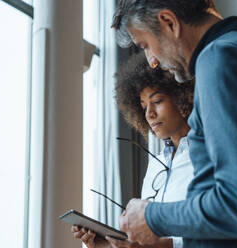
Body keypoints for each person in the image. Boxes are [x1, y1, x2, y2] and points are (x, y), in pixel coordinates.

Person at [111, 1, 237, 248]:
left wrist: (151, 216)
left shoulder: (220, 59)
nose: (151, 61)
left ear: (169, 22)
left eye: (146, 45)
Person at [71, 52, 195, 248]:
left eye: (157, 101)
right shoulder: (155, 165)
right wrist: (108, 245)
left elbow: (221, 233)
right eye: (144, 106)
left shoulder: (209, 156)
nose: (150, 114)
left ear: (183, 96)